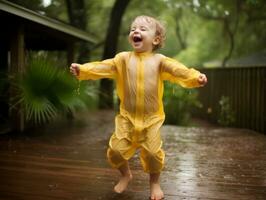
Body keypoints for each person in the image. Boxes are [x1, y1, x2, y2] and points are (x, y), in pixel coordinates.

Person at [70, 15, 207, 200]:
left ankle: (154, 183)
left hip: (152, 118)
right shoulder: (123, 59)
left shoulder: (160, 61)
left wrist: (195, 77)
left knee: (152, 153)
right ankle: (126, 175)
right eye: (133, 29)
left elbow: (178, 70)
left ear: (156, 39)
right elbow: (103, 67)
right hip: (127, 117)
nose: (136, 31)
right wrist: (83, 70)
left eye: (143, 29)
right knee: (116, 151)